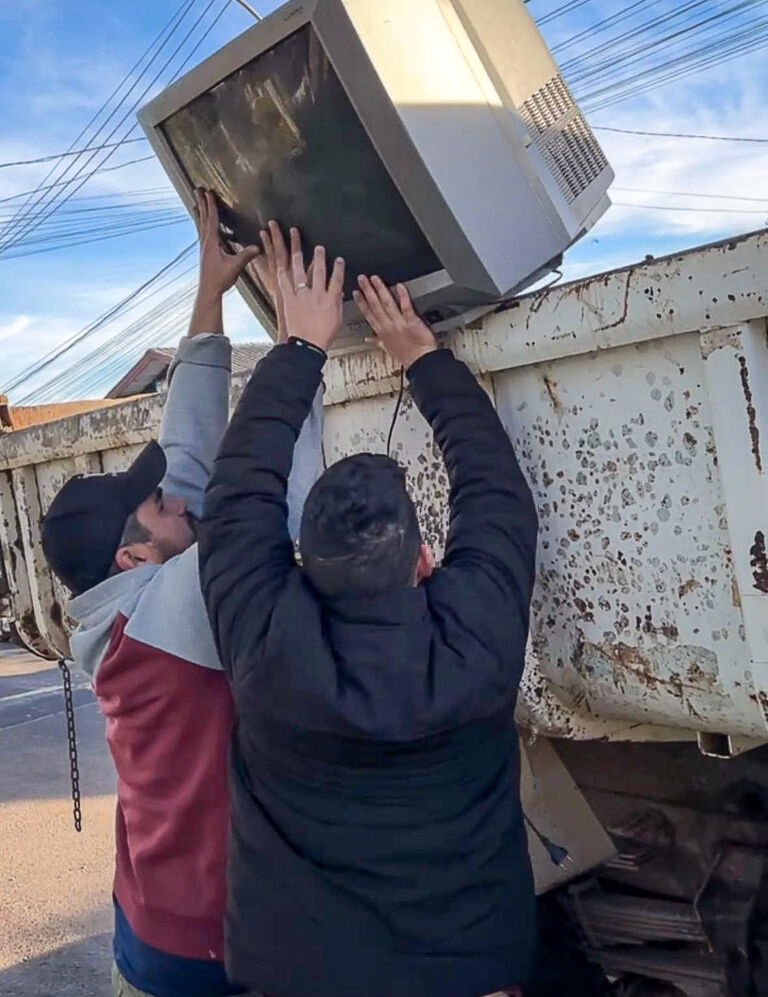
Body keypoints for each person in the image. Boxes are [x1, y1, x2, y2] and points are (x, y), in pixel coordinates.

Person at [199, 228, 539, 997]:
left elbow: (234, 501)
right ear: (423, 561)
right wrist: (418, 355)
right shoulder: (470, 645)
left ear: (301, 567)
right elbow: (498, 492)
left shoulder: (268, 644)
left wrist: (298, 350)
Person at [41, 195, 323, 997]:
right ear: (134, 552)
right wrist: (300, 344)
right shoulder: (172, 615)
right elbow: (269, 500)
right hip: (209, 946)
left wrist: (211, 295)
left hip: (150, 919)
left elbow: (191, 456)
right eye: (154, 501)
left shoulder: (123, 603)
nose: (173, 496)